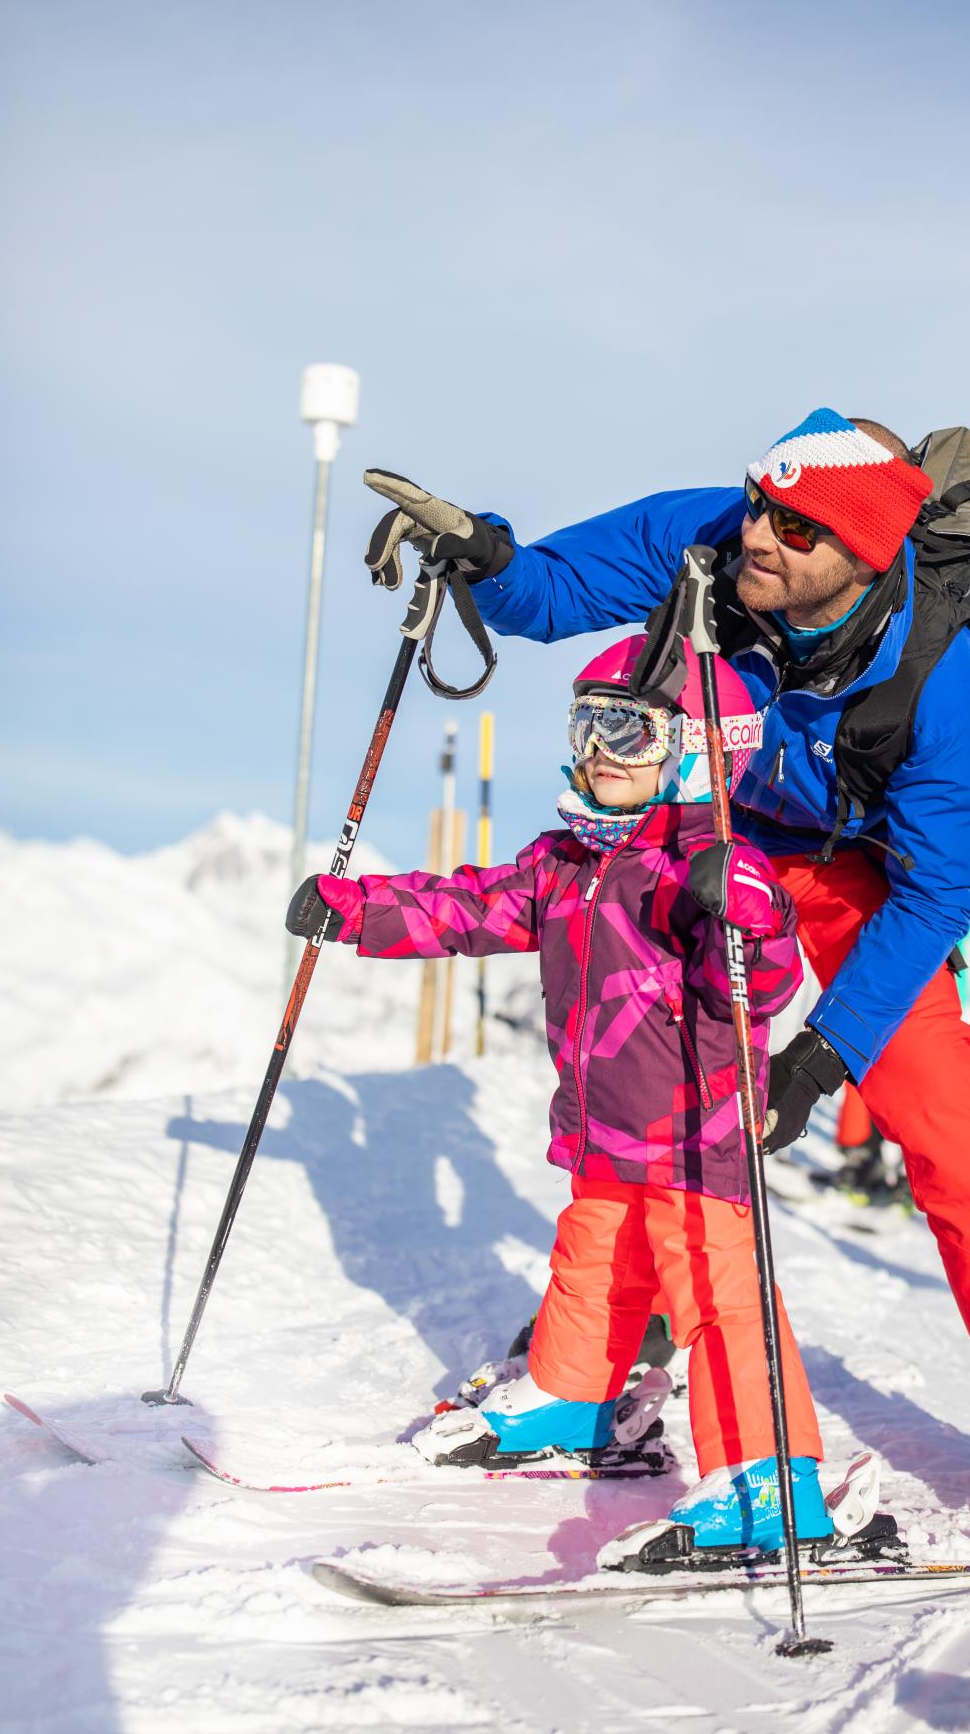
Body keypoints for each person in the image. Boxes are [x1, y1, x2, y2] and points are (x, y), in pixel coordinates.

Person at [360, 408, 970, 1534]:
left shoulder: (940, 677)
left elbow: (936, 896)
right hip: (710, 839)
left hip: (861, 872)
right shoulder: (709, 540)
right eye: (761, 502)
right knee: (656, 1088)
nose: (760, 532)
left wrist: (823, 1054)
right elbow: (550, 595)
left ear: (863, 554)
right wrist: (485, 555)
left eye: (795, 527)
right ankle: (612, 1357)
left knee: (936, 1104)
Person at [287, 634, 838, 1564]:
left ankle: (770, 1480)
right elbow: (468, 906)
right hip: (604, 1132)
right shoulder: (567, 861)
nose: (599, 750)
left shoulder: (709, 867)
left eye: (629, 731)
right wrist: (359, 908)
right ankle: (573, 1399)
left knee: (720, 1294)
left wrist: (744, 909)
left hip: (696, 1140)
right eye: (588, 725)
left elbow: (764, 982)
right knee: (593, 1263)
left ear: (699, 751)